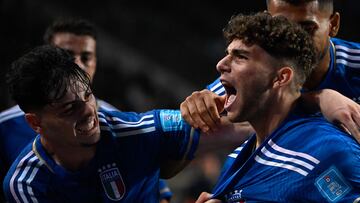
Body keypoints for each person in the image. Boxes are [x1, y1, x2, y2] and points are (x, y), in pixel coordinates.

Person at [0, 18, 174, 202]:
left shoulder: (119, 125)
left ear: (96, 62)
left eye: (86, 57)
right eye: (66, 55)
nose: (77, 65)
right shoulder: (5, 128)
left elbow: (155, 190)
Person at [193, 12, 360, 202]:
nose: (221, 65)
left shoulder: (326, 151)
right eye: (227, 54)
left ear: (281, 78)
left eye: (240, 57)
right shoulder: (237, 158)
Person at [183, 0, 360, 143]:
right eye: (283, 27)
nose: (296, 41)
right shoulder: (251, 76)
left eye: (307, 29)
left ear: (333, 24)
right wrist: (198, 106)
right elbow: (182, 133)